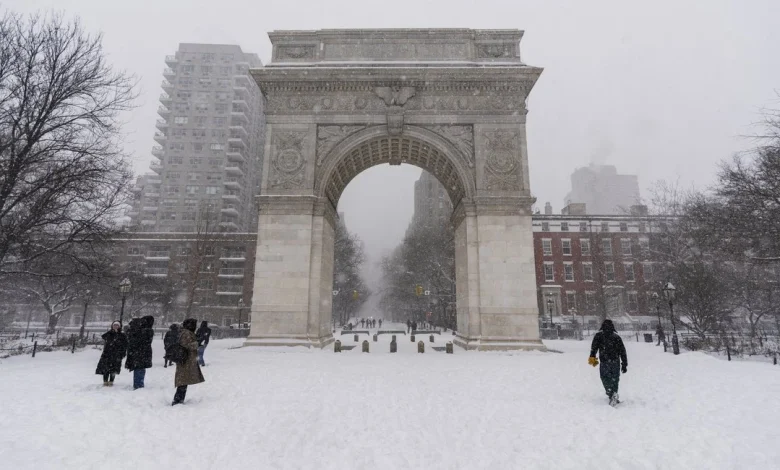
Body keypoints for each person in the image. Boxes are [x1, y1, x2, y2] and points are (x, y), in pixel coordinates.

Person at [588, 319, 628, 406]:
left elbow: (593, 349)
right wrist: (624, 364)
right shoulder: (616, 337)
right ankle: (613, 393)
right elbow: (622, 352)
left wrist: (592, 360)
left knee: (605, 378)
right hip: (615, 362)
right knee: (615, 379)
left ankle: (610, 392)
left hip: (604, 362)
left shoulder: (599, 336)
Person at [173, 318, 205, 406]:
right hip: (186, 360)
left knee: (184, 380)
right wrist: (196, 343)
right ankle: (177, 400)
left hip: (186, 360)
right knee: (183, 380)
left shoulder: (185, 332)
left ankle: (179, 399)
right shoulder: (186, 333)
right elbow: (187, 345)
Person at [125, 315, 155, 390]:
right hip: (142, 352)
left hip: (138, 352)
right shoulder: (147, 330)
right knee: (140, 368)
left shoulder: (141, 331)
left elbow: (134, 340)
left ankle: (138, 384)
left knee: (139, 368)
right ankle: (139, 384)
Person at [95, 321, 127, 386]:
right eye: (114, 325)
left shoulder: (122, 335)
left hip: (117, 355)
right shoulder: (109, 333)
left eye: (117, 325)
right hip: (107, 354)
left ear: (119, 326)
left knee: (114, 369)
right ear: (112, 326)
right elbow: (104, 336)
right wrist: (112, 332)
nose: (115, 326)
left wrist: (122, 353)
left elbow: (124, 345)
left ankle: (111, 382)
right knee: (106, 368)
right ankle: (105, 382)